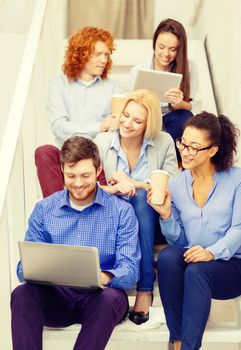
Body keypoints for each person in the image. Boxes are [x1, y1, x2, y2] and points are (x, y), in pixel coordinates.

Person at [11, 136, 141, 350]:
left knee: (109, 300)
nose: (78, 183)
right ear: (61, 169)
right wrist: (36, 269)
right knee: (22, 294)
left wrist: (105, 276)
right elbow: (23, 270)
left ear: (98, 171)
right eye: (71, 175)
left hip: (100, 298)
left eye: (85, 175)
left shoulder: (121, 211)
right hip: (58, 298)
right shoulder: (44, 209)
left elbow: (130, 270)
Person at [148, 111, 241, 349]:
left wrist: (212, 252)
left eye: (194, 147)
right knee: (168, 257)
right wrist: (166, 214)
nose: (185, 151)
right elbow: (179, 241)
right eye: (183, 143)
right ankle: (177, 340)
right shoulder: (176, 184)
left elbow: (239, 229)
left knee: (196, 271)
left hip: (232, 266)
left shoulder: (236, 180)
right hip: (196, 261)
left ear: (212, 150)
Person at [94, 89, 178, 325]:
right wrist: (115, 188)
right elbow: (89, 184)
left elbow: (174, 183)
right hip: (115, 218)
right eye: (126, 115)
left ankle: (145, 286)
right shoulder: (102, 141)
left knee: (141, 198)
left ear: (148, 125)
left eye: (137, 120)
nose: (127, 123)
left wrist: (136, 184)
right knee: (132, 201)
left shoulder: (163, 142)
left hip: (152, 218)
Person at [35, 26, 122, 197]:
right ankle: (58, 212)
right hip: (66, 154)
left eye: (106, 54)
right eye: (98, 54)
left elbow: (116, 125)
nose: (104, 60)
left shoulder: (113, 88)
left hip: (97, 156)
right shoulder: (58, 85)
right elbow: (59, 126)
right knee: (44, 152)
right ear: (81, 54)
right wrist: (99, 126)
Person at [130, 18, 198, 161]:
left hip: (170, 125)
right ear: (154, 43)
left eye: (173, 49)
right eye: (161, 47)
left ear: (180, 48)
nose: (166, 54)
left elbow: (193, 106)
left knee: (185, 117)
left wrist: (179, 104)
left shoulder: (189, 68)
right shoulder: (138, 70)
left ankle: (156, 158)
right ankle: (158, 158)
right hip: (146, 121)